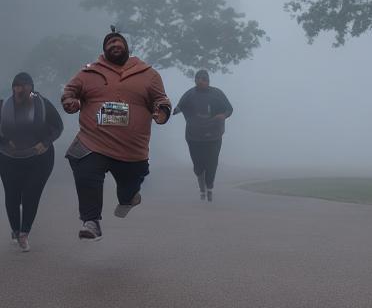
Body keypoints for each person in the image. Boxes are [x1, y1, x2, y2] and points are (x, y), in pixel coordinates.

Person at [61, 27, 171, 241]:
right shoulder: (88, 72)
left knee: (128, 189)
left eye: (118, 42)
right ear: (104, 51)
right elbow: (69, 92)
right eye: (109, 43)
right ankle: (91, 222)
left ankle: (129, 197)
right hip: (94, 141)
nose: (114, 45)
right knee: (86, 173)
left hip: (132, 149)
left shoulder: (148, 74)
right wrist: (70, 102)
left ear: (127, 47)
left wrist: (162, 113)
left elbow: (161, 100)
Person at [0, 72, 63, 252]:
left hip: (39, 158)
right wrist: (4, 142)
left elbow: (58, 126)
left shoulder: (42, 104)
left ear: (32, 89)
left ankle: (24, 233)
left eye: (26, 85)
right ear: (13, 88)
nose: (22, 89)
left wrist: (46, 142)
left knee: (31, 194)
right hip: (8, 158)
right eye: (18, 85)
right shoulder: (3, 105)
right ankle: (15, 229)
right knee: (12, 196)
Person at [172, 69, 233, 202]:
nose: (200, 81)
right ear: (195, 81)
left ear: (208, 81)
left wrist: (223, 115)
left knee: (211, 162)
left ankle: (209, 186)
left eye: (203, 79)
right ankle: (201, 186)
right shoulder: (190, 94)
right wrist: (175, 110)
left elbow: (229, 109)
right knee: (198, 165)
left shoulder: (217, 94)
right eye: (198, 79)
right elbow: (179, 106)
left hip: (214, 135)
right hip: (194, 136)